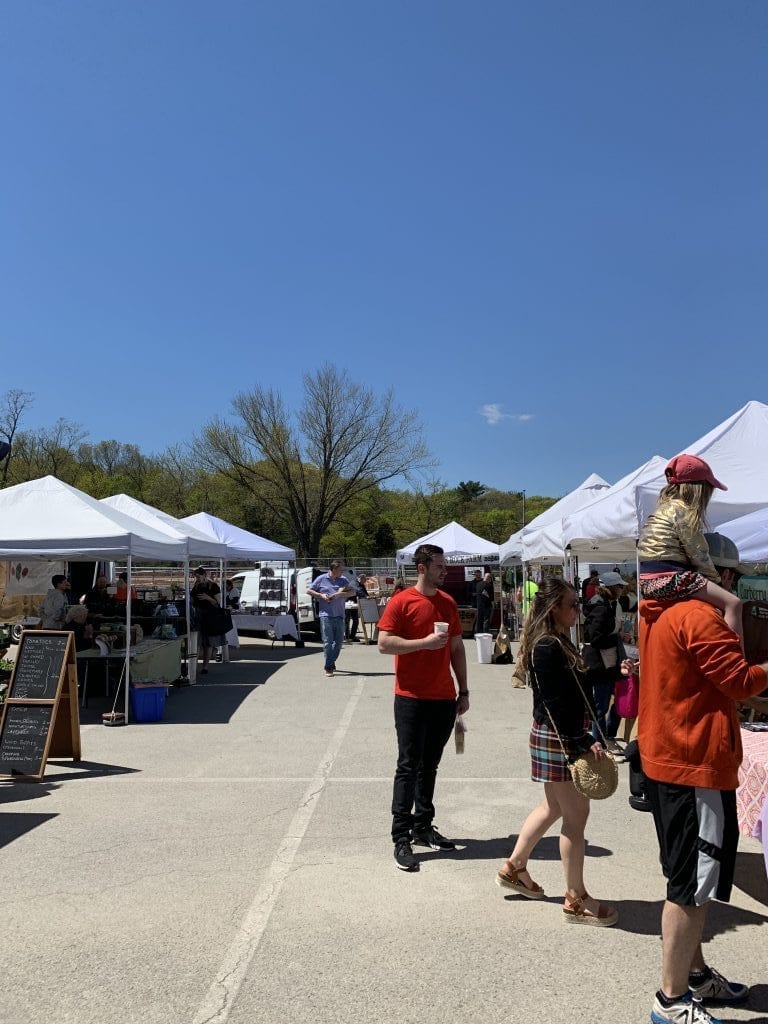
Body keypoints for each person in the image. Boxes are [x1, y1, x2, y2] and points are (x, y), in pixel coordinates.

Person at [639, 531, 768, 1024]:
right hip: (694, 765)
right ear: (720, 574)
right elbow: (740, 683)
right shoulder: (698, 616)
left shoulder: (659, 612)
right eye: (731, 577)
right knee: (692, 884)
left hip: (667, 758)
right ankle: (671, 1000)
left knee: (685, 876)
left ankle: (693, 977)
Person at [496, 576, 622, 926]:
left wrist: (617, 670)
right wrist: (581, 740)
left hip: (556, 734)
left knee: (553, 806)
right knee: (576, 817)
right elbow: (554, 702)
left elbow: (576, 685)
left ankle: (514, 867)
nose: (578, 610)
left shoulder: (557, 640)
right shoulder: (547, 646)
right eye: (572, 605)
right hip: (558, 736)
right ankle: (575, 898)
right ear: (554, 608)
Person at [378, 544, 468, 872]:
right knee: (408, 766)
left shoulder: (447, 603)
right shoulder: (402, 602)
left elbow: (456, 648)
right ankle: (400, 836)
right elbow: (384, 644)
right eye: (439, 566)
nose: (445, 571)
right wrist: (423, 644)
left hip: (443, 698)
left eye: (445, 565)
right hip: (411, 698)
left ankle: (423, 826)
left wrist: (464, 690)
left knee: (430, 766)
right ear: (422, 567)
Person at [638, 454, 742, 642]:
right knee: (733, 603)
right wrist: (717, 582)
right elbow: (699, 554)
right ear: (699, 489)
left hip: (647, 580)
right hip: (671, 578)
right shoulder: (684, 511)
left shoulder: (662, 509)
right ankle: (735, 655)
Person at [582, 571, 627, 754]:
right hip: (600, 663)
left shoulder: (605, 604)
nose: (622, 589)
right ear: (612, 588)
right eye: (620, 586)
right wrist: (615, 638)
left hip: (603, 661)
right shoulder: (601, 608)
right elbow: (595, 638)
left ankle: (602, 739)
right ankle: (599, 744)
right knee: (601, 705)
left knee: (605, 703)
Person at [307, 561, 357, 677]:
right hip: (326, 615)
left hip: (339, 615)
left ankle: (330, 661)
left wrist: (339, 595)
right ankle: (328, 667)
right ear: (333, 569)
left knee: (338, 642)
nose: (342, 572)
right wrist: (321, 595)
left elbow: (353, 592)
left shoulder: (343, 580)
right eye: (340, 570)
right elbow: (309, 590)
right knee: (328, 642)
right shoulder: (321, 579)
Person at [191, 567, 225, 675]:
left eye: (198, 576)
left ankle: (205, 667)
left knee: (208, 643)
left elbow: (218, 603)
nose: (197, 579)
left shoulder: (213, 586)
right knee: (197, 642)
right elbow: (192, 599)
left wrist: (208, 598)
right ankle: (193, 667)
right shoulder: (196, 585)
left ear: (204, 575)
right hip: (198, 616)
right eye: (195, 577)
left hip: (210, 617)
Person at [345, 573, 369, 642]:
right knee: (347, 620)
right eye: (364, 580)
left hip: (355, 603)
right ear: (360, 578)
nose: (365, 581)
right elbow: (358, 590)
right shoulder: (354, 583)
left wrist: (368, 596)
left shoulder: (362, 584)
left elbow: (364, 592)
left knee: (356, 620)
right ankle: (347, 637)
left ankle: (352, 636)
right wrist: (365, 596)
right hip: (348, 603)